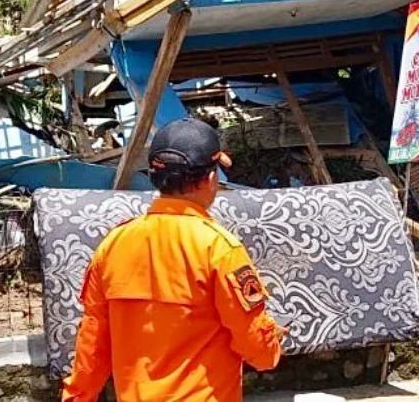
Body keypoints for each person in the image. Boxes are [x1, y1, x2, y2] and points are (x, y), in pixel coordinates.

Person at [62, 118, 284, 402]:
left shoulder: (113, 245)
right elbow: (260, 353)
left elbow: (92, 344)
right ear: (211, 179)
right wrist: (272, 339)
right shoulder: (219, 249)